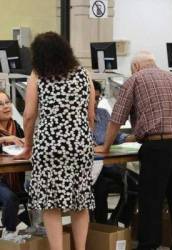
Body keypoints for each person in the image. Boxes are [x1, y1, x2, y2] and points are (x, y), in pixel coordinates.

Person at [96, 51, 172, 250]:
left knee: (151, 200)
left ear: (136, 68)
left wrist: (105, 147)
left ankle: (149, 246)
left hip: (158, 146)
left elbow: (116, 118)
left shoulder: (135, 80)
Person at [16, 32, 95, 250]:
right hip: (80, 144)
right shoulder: (83, 74)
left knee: (52, 205)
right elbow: (90, 115)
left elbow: (30, 115)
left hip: (49, 146)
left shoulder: (38, 75)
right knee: (80, 202)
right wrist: (79, 137)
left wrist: (27, 145)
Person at [92, 80, 138, 226]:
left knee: (135, 183)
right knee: (100, 188)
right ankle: (100, 227)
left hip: (108, 166)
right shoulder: (74, 117)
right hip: (89, 170)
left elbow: (115, 136)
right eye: (91, 98)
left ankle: (119, 220)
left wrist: (134, 137)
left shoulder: (103, 114)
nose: (94, 102)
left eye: (97, 98)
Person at [0, 90, 25, 239]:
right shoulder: (10, 133)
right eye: (0, 104)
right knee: (10, 198)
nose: (5, 107)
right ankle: (9, 233)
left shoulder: (15, 125)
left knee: (38, 193)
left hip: (16, 177)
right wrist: (5, 139)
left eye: (7, 102)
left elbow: (24, 144)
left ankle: (34, 229)